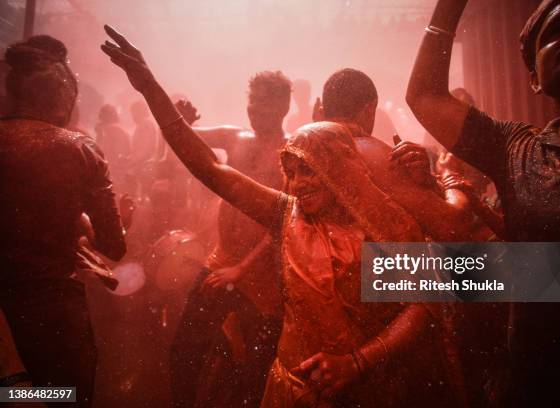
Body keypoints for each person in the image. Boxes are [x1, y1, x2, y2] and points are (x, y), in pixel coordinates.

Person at [101, 25, 458, 407]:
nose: (299, 184)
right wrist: (150, 88)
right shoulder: (287, 214)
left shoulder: (378, 228)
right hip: (287, 390)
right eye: (293, 171)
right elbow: (207, 167)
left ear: (339, 171)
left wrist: (358, 362)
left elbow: (425, 301)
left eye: (310, 171)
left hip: (360, 388)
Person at [400, 0, 560, 405]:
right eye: (555, 28)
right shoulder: (516, 148)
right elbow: (425, 95)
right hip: (524, 385)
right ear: (534, 77)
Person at [0, 35, 126, 407]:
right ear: (61, 97)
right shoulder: (79, 149)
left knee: (10, 396)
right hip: (50, 318)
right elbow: (114, 246)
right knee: (61, 397)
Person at [170, 72, 291, 407]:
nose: (253, 109)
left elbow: (286, 219)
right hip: (222, 260)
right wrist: (181, 120)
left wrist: (243, 268)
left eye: (263, 102)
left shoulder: (292, 151)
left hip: (263, 273)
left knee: (256, 368)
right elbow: (178, 138)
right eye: (251, 100)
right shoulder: (234, 136)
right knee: (184, 350)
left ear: (283, 106)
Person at [316, 68, 473, 241]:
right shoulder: (375, 155)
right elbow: (454, 228)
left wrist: (429, 182)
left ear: (324, 111)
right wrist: (450, 174)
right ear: (370, 109)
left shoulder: (302, 154)